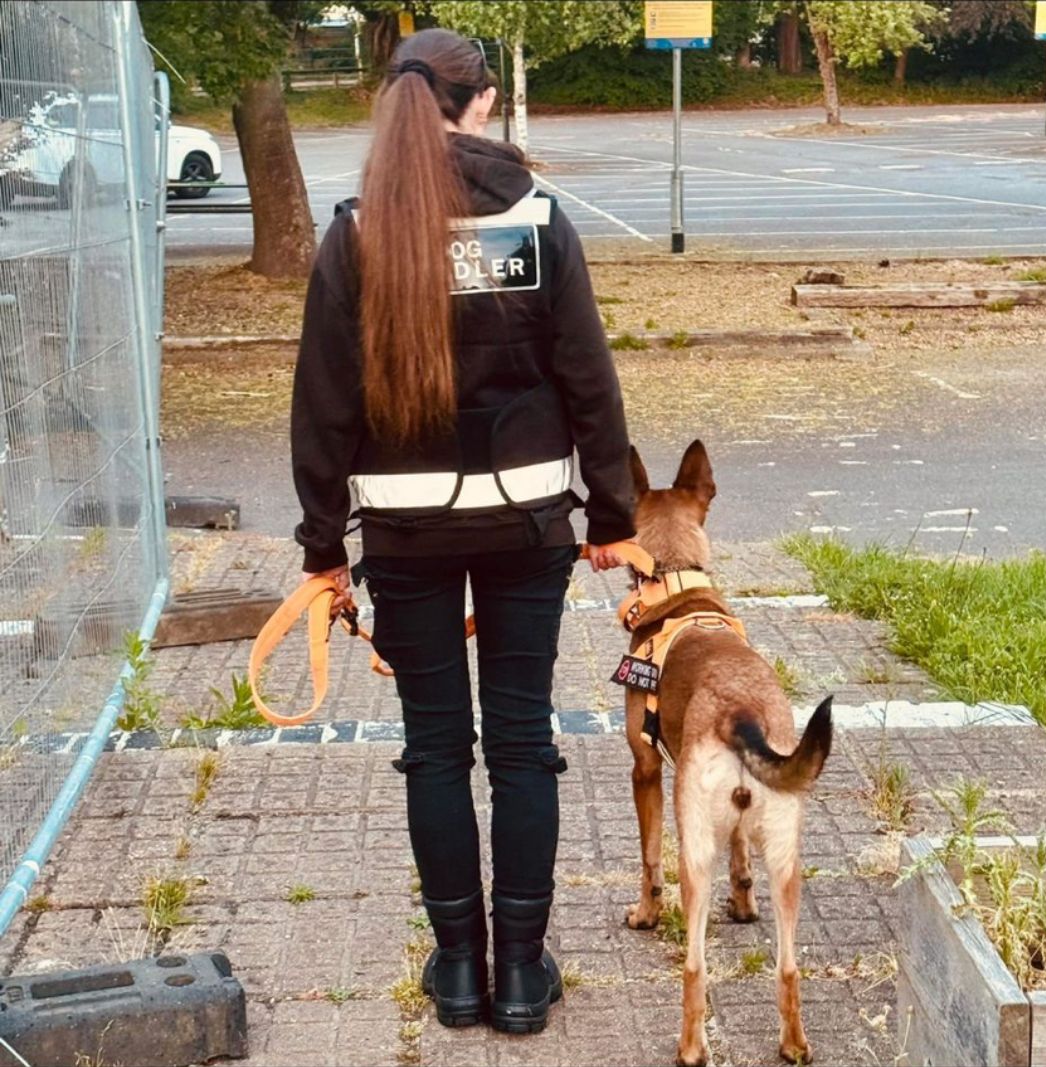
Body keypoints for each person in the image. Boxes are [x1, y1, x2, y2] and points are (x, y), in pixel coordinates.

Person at [290, 28, 635, 1035]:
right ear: (480, 104)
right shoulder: (537, 218)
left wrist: (322, 547)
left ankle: (455, 970)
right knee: (522, 745)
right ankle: (521, 974)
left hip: (404, 537)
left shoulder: (359, 233)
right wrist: (609, 514)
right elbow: (588, 379)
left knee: (435, 749)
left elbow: (322, 404)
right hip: (529, 524)